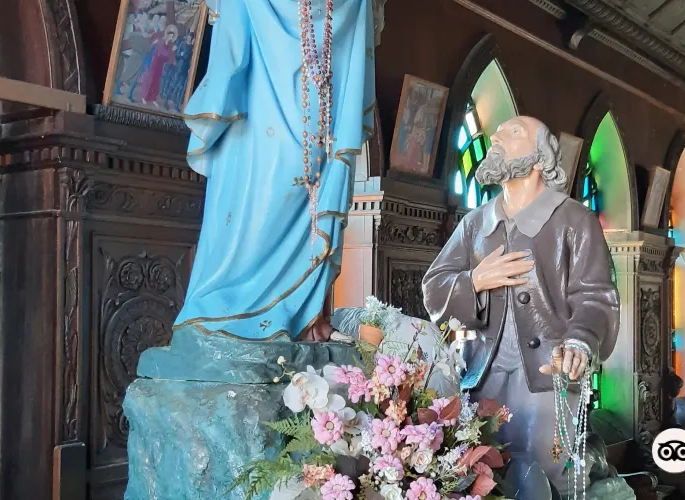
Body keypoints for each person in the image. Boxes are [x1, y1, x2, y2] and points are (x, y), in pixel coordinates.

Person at [422, 116, 620, 498]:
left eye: (514, 132)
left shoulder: (574, 220)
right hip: (482, 376)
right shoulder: (476, 224)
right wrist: (474, 281)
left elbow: (596, 296)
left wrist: (579, 341)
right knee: (483, 476)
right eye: (498, 131)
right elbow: (433, 288)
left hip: (549, 375)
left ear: (540, 157)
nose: (497, 135)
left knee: (547, 478)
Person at [172, 0, 374, 342]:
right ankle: (300, 317)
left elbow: (230, 54)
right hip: (309, 125)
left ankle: (301, 315)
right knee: (272, 211)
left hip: (265, 124)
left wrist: (215, 102)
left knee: (257, 216)